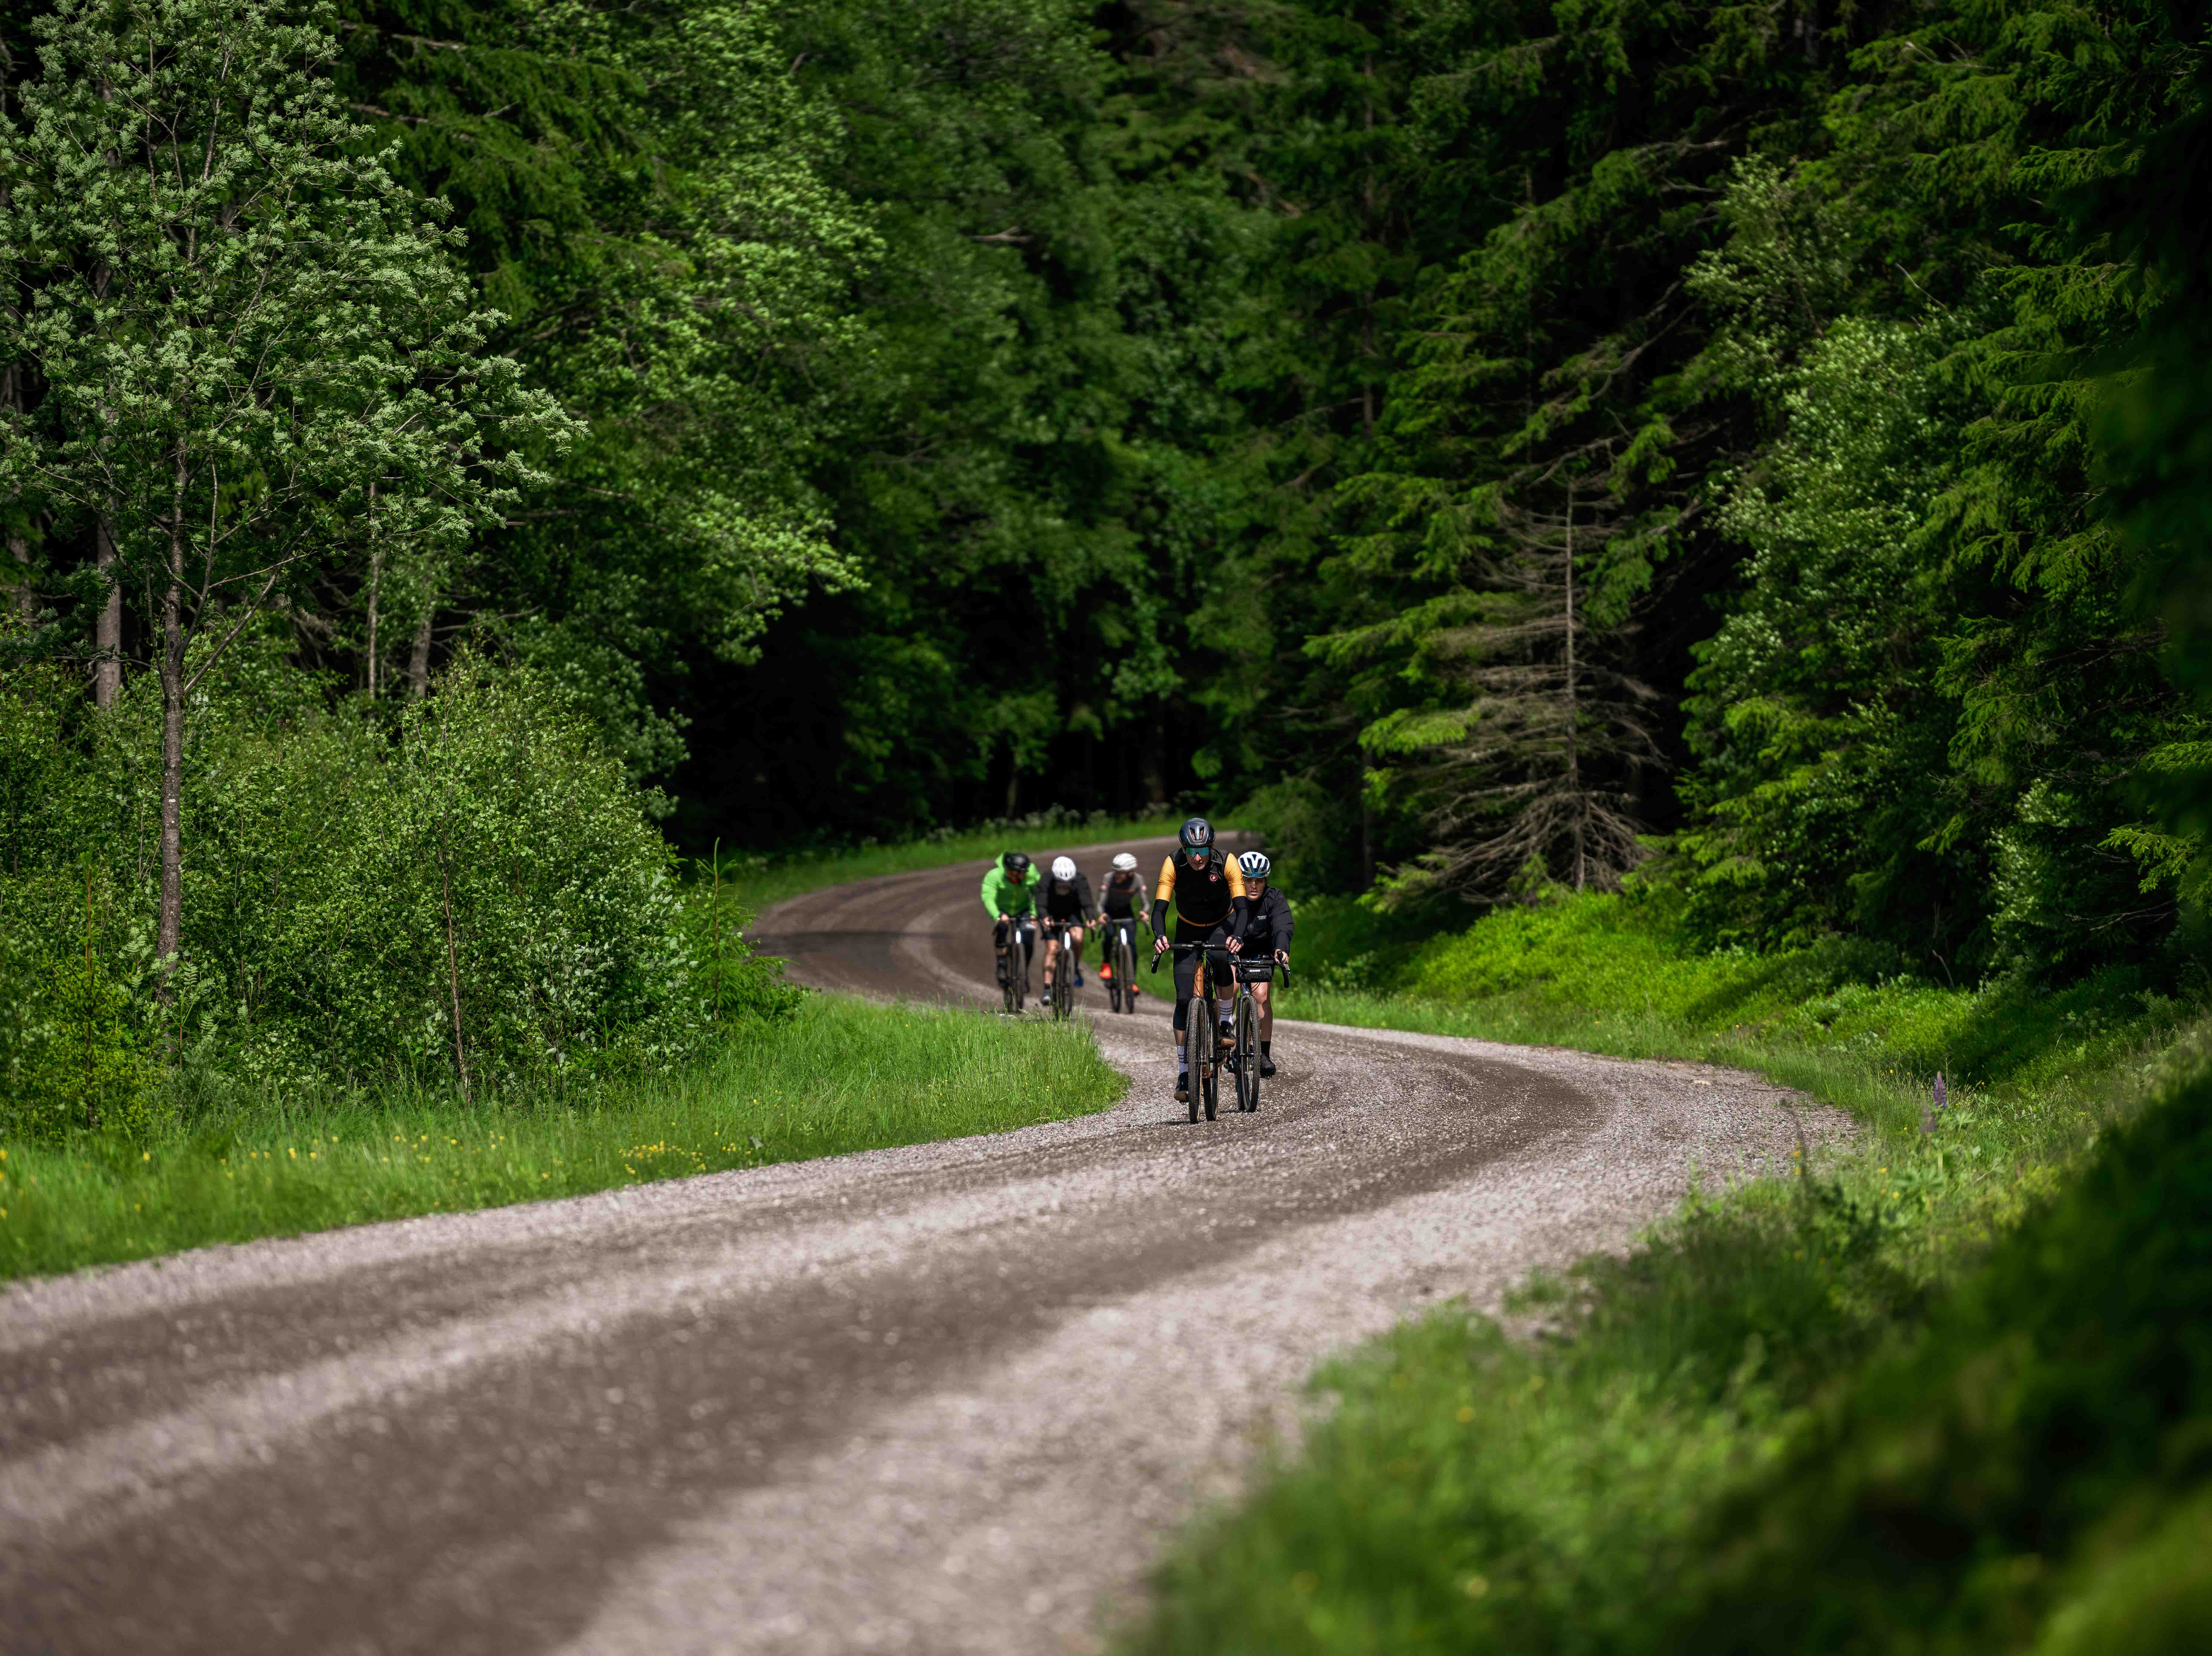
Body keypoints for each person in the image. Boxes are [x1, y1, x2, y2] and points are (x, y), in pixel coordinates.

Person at [1149, 817, 1248, 1104]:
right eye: (1191, 851)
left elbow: (1242, 908)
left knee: (1220, 956)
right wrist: (1160, 936)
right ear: (1184, 849)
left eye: (1203, 850)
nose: (1197, 857)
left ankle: (1226, 1023)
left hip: (1221, 924)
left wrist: (1238, 936)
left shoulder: (1227, 862)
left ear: (1211, 848)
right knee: (1183, 999)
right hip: (1187, 927)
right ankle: (1184, 1072)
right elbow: (1159, 909)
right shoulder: (1173, 863)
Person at [1223, 850, 1292, 1077]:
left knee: (1262, 996)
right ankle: (1225, 1037)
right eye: (1248, 880)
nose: (1254, 886)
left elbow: (1283, 924)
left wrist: (1281, 948)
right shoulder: (1228, 897)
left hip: (1261, 952)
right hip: (1233, 951)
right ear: (1240, 880)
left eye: (1259, 880)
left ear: (1265, 881)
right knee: (1230, 988)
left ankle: (1263, 1054)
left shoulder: (1274, 897)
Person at [1037, 855, 1099, 988]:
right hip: (1051, 914)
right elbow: (1041, 903)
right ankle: (1048, 989)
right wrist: (1045, 917)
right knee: (1052, 949)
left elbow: (1087, 902)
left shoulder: (1080, 880)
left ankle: (1074, 966)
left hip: (1072, 913)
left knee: (1078, 938)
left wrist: (1091, 918)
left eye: (1068, 884)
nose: (1064, 887)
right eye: (1061, 884)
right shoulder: (1046, 879)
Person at [981, 851, 1038, 992]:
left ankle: (1024, 972)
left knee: (1029, 934)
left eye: (1025, 872)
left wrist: (1034, 914)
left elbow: (1038, 894)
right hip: (1002, 910)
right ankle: (1001, 964)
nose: (1024, 875)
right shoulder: (994, 876)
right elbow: (988, 898)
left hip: (1023, 909)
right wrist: (998, 915)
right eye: (1021, 873)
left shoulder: (1031, 874)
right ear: (1011, 871)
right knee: (1002, 927)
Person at [1094, 850, 1146, 997]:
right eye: (1116, 872)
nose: (1117, 876)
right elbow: (1101, 902)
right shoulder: (1108, 878)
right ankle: (1106, 964)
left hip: (1126, 913)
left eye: (1121, 873)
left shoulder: (1138, 880)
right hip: (1109, 912)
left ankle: (1132, 981)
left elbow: (1146, 903)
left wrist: (1144, 913)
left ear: (1130, 872)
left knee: (1132, 945)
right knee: (1109, 934)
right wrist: (1102, 914)